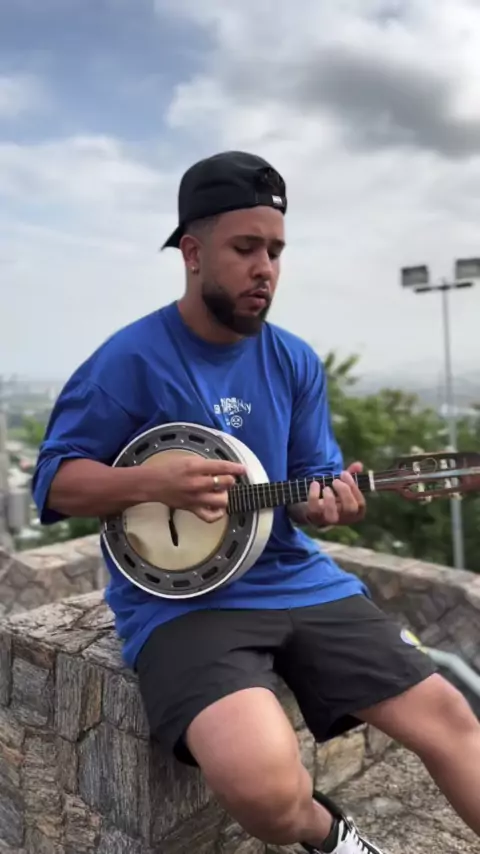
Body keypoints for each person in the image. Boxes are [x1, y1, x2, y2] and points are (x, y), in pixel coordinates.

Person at [32, 151, 480, 854]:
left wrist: (328, 505)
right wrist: (150, 484)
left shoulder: (294, 360)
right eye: (245, 248)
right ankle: (334, 836)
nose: (265, 268)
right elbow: (54, 482)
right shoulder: (130, 360)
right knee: (268, 793)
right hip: (185, 605)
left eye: (275, 251)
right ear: (192, 253)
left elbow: (311, 480)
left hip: (298, 576)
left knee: (452, 719)